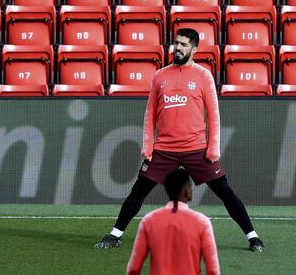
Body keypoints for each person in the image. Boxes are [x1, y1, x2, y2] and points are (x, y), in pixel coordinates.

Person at [94, 28, 265, 252]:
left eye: (184, 45)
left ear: (194, 49)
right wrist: (148, 145)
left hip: (196, 149)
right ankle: (115, 235)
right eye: (176, 43)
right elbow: (150, 114)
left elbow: (214, 115)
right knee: (138, 192)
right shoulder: (160, 76)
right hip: (163, 149)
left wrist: (213, 147)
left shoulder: (203, 76)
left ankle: (253, 237)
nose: (178, 48)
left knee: (225, 191)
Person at [126, 168, 220, 275]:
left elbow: (133, 268)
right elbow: (213, 270)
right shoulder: (202, 222)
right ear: (187, 191)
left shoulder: (148, 221)